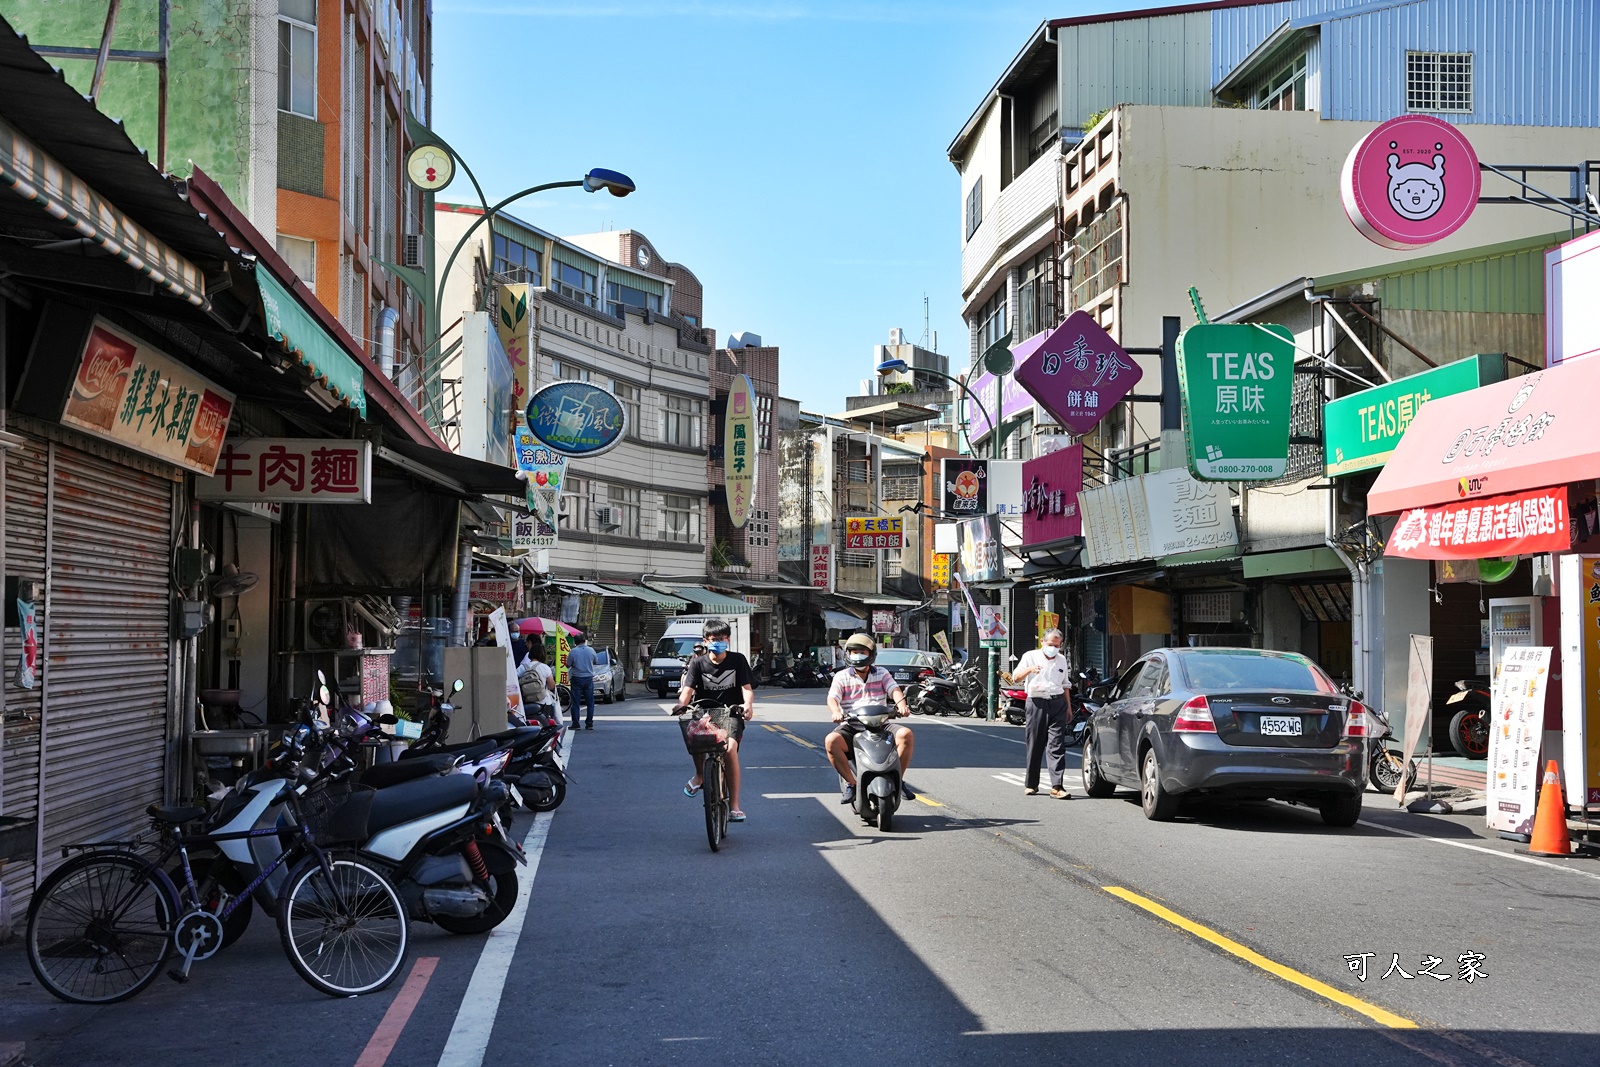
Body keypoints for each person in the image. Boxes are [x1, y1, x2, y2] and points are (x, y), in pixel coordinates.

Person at [672, 619, 755, 822]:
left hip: (731, 713)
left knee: (729, 750)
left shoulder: (738, 660)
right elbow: (687, 690)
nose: (719, 642)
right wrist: (681, 704)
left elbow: (747, 689)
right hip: (705, 712)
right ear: (705, 641)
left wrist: (748, 705)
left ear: (728, 639)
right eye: (714, 639)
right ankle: (700, 775)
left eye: (723, 638)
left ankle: (734, 805)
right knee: (694, 737)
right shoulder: (698, 663)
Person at [825, 633, 915, 805]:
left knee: (906, 735)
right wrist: (836, 711)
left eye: (862, 651)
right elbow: (832, 698)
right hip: (852, 725)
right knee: (831, 742)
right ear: (848, 654)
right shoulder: (841, 676)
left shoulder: (881, 673)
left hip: (881, 725)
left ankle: (898, 780)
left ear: (871, 653)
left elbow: (894, 689)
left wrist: (901, 704)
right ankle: (851, 784)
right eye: (854, 651)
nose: (858, 655)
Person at [1010, 627, 1073, 799]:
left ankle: (1057, 786)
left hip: (1057, 702)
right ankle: (1031, 784)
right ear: (1043, 642)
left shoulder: (1061, 660)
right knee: (1035, 744)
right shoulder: (1030, 656)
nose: (1054, 648)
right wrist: (1030, 669)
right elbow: (1015, 678)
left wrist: (1068, 707)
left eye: (1057, 645)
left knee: (1057, 745)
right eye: (1051, 644)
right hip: (1037, 702)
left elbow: (1065, 685)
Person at [565, 632, 599, 730]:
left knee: (575, 702)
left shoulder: (573, 651)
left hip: (577, 678)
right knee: (590, 702)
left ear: (575, 642)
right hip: (588, 678)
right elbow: (596, 661)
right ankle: (589, 723)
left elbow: (568, 664)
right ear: (584, 640)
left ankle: (576, 723)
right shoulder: (591, 650)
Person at [520, 643, 557, 723]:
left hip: (527, 702)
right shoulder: (545, 667)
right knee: (548, 725)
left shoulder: (523, 667)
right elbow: (551, 686)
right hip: (544, 702)